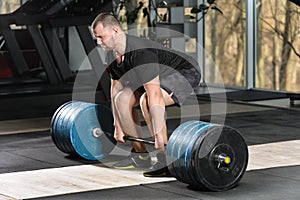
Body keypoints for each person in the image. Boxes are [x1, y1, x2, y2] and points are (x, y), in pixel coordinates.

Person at [91, 12, 201, 176]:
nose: (98, 42)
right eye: (96, 38)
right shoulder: (111, 54)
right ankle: (140, 155)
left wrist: (157, 135)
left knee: (145, 101)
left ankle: (165, 158)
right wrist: (117, 125)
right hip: (155, 75)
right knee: (122, 99)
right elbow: (115, 89)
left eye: (101, 37)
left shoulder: (141, 52)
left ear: (115, 31)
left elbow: (155, 97)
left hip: (184, 71)